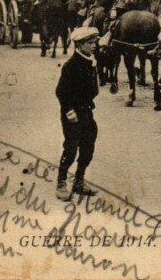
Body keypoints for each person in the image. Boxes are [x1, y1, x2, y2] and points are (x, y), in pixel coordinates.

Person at [55, 27, 100, 200]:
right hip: (73, 114)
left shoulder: (90, 62)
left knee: (88, 147)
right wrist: (68, 111)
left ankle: (79, 181)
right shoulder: (71, 66)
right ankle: (61, 183)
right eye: (90, 43)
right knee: (71, 148)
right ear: (79, 45)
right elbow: (60, 91)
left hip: (87, 112)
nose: (94, 46)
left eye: (94, 42)